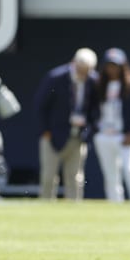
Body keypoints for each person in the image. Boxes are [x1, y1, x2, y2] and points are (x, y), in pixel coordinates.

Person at [33, 47, 99, 200]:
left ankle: (74, 213)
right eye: (81, 69)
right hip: (52, 135)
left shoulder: (93, 81)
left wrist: (89, 130)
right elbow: (40, 105)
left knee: (75, 177)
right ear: (74, 63)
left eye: (87, 71)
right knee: (49, 176)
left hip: (78, 137)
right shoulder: (56, 77)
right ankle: (46, 209)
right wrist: (45, 131)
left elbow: (96, 110)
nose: (83, 74)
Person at [93, 48, 130, 202]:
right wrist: (96, 130)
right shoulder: (99, 85)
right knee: (111, 175)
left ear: (123, 66)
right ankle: (115, 205)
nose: (112, 69)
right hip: (104, 136)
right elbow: (93, 111)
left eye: (116, 65)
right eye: (109, 65)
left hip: (125, 137)